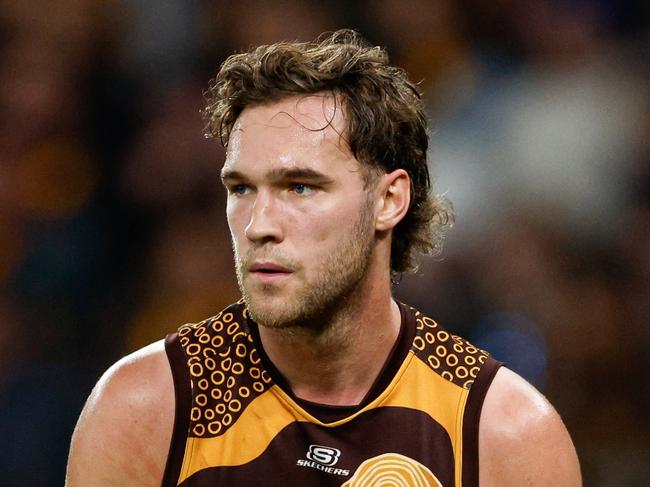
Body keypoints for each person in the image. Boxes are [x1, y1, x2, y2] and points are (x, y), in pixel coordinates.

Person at [66, 30, 581, 486]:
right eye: (241, 189)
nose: (259, 225)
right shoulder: (146, 410)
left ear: (388, 200)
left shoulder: (503, 435)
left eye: (301, 187)